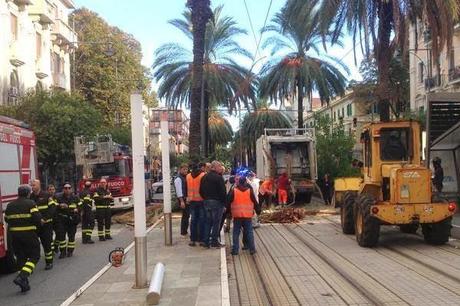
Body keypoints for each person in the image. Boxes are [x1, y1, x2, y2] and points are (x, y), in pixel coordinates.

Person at [5, 185, 42, 292]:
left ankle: (24, 284)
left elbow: (7, 219)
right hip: (29, 235)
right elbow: (37, 218)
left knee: (21, 258)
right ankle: (22, 276)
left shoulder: (10, 205)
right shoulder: (31, 204)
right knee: (35, 256)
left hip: (14, 237)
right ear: (28, 193)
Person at [228, 177, 260, 255]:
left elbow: (228, 202)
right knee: (249, 232)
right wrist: (258, 211)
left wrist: (228, 213)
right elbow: (255, 202)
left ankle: (235, 250)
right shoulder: (250, 191)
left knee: (236, 232)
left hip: (237, 215)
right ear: (245, 182)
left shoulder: (234, 191)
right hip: (247, 215)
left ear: (238, 182)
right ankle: (252, 249)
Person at [30, 179, 56, 270]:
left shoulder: (47, 195)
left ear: (39, 185)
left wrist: (45, 219)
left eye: (34, 185)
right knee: (33, 245)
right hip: (35, 226)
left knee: (47, 244)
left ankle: (49, 262)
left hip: (46, 225)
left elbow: (52, 208)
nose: (32, 187)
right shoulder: (30, 197)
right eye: (31, 185)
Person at [200, 161, 227, 248]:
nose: (220, 168)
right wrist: (224, 203)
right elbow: (223, 192)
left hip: (207, 202)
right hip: (217, 203)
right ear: (214, 167)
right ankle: (214, 242)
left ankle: (206, 241)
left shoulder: (204, 177)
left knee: (207, 222)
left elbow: (200, 191)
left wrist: (206, 198)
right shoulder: (219, 178)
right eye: (219, 167)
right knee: (216, 222)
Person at [55, 183, 81, 258]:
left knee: (71, 236)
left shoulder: (75, 197)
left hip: (72, 220)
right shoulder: (59, 197)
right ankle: (62, 252)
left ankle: (70, 251)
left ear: (71, 189)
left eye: (69, 188)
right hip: (62, 220)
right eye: (65, 188)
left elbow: (81, 206)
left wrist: (77, 209)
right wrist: (60, 206)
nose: (67, 189)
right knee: (61, 237)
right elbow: (54, 206)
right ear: (63, 189)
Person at [186, 163, 206, 246]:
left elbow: (186, 187)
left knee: (193, 220)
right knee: (202, 220)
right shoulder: (203, 175)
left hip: (192, 201)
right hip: (201, 200)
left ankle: (192, 240)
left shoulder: (188, 176)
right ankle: (201, 239)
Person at [174, 164, 189, 237]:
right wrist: (182, 201)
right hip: (183, 199)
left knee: (186, 215)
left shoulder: (185, 177)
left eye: (186, 169)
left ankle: (184, 231)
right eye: (184, 169)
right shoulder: (178, 179)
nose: (186, 171)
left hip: (186, 199)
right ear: (180, 170)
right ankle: (183, 232)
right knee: (185, 216)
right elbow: (179, 191)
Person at [47, 184, 60, 253]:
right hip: (49, 219)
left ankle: (55, 246)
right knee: (49, 235)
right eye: (50, 190)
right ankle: (51, 250)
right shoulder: (46, 198)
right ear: (47, 191)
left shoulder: (57, 197)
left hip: (56, 218)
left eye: (53, 189)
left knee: (59, 233)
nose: (52, 191)